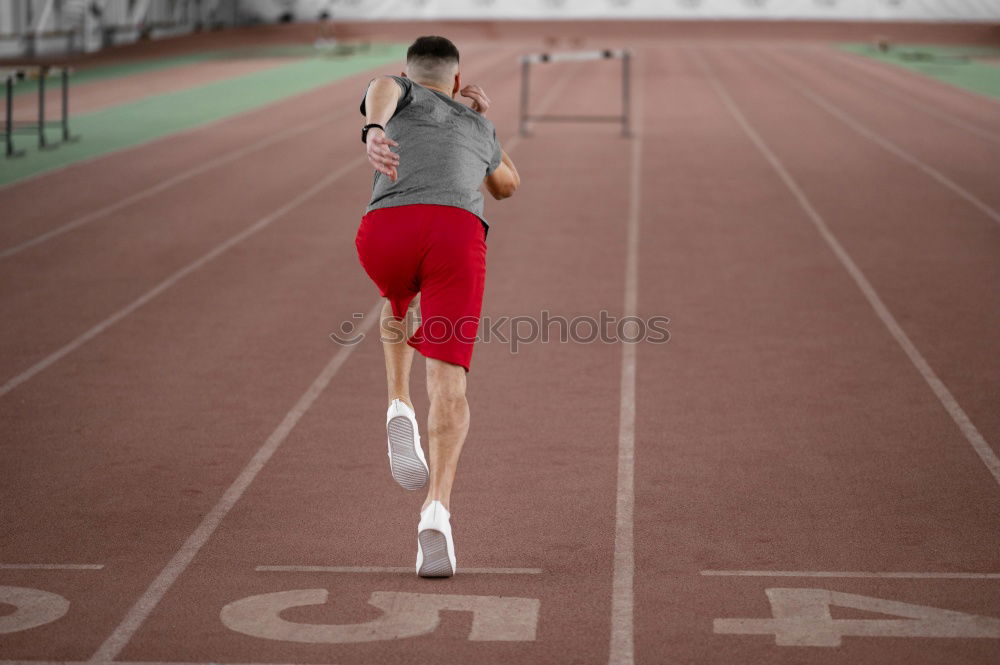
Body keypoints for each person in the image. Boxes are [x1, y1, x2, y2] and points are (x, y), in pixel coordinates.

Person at [354, 36, 520, 577]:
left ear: (412, 73)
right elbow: (507, 186)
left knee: (397, 298)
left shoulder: (397, 92)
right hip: (455, 233)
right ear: (455, 77)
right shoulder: (477, 125)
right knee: (450, 382)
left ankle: (396, 403)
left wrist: (375, 130)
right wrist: (472, 118)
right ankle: (437, 513)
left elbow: (380, 88)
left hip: (387, 228)